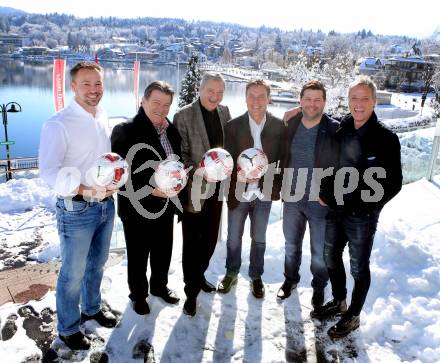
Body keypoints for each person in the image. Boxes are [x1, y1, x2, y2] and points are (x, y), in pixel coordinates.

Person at [311, 76, 402, 338]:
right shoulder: (340, 129)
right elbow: (327, 166)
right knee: (330, 257)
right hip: (335, 211)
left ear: (374, 101)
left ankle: (353, 316)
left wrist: (366, 205)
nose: (359, 104)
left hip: (362, 216)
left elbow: (394, 183)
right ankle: (339, 300)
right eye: (354, 98)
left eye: (365, 98)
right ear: (348, 100)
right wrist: (326, 194)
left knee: (359, 267)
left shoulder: (386, 138)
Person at [39, 62, 117, 351]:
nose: (94, 90)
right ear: (73, 86)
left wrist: (112, 179)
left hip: (106, 205)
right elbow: (47, 171)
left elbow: (101, 159)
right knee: (72, 273)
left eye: (98, 84)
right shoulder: (58, 123)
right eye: (86, 84)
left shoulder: (102, 115)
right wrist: (85, 189)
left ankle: (92, 308)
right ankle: (69, 328)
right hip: (77, 208)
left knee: (97, 264)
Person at [111, 81, 182, 315]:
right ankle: (138, 295)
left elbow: (176, 164)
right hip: (137, 207)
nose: (161, 109)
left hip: (165, 206)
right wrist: (152, 189)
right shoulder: (125, 130)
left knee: (163, 251)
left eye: (166, 104)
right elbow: (120, 175)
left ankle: (159, 287)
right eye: (156, 103)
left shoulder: (172, 131)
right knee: (138, 255)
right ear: (143, 101)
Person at [218, 79, 284, 298]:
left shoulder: (278, 126)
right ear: (245, 98)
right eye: (251, 96)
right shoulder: (233, 126)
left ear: (268, 98)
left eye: (261, 96)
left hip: (263, 193)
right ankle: (231, 273)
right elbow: (225, 161)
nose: (256, 101)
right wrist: (237, 173)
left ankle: (256, 277)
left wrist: (276, 187)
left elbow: (283, 160)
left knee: (259, 238)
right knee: (234, 237)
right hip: (239, 192)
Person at [277, 81, 339, 309]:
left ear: (324, 102)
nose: (312, 104)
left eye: (317, 100)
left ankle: (319, 288)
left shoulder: (333, 128)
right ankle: (290, 279)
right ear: (300, 100)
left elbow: (343, 165)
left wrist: (330, 194)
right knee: (291, 245)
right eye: (308, 99)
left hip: (319, 202)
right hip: (292, 198)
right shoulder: (291, 123)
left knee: (319, 252)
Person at [173, 72, 231, 316]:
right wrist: (197, 170)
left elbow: (227, 150)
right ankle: (191, 291)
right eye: (211, 90)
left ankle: (199, 275)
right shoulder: (183, 115)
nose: (215, 96)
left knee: (209, 240)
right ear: (200, 89)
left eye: (219, 92)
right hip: (194, 189)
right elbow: (180, 156)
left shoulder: (224, 112)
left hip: (218, 189)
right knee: (192, 244)